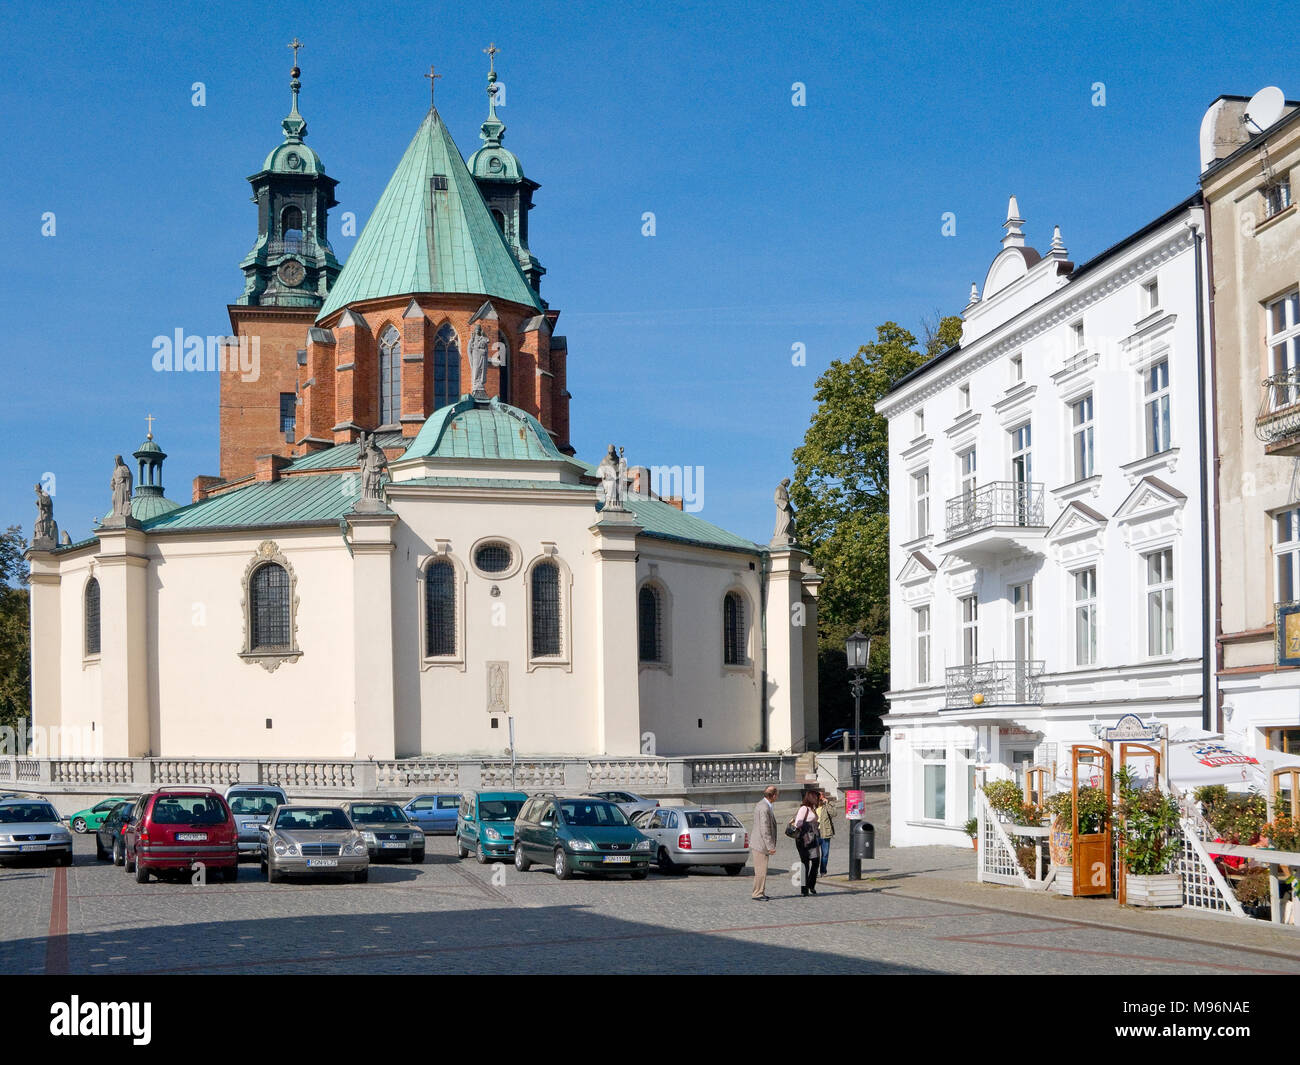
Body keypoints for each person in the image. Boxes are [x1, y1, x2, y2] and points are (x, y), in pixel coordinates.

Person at [751, 785, 778, 901]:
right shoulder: (764, 807)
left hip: (759, 843)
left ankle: (760, 891)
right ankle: (757, 893)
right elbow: (765, 829)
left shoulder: (764, 804)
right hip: (761, 844)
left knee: (761, 870)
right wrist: (770, 846)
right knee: (761, 871)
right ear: (774, 795)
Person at [793, 788, 821, 896]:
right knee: (805, 863)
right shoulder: (804, 808)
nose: (818, 799)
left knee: (815, 862)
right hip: (803, 839)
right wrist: (811, 825)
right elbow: (798, 823)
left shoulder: (812, 808)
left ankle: (811, 884)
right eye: (817, 797)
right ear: (812, 798)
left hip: (813, 838)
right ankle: (804, 889)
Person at [816, 791, 836, 876]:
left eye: (822, 798)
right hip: (815, 833)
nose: (820, 800)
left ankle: (823, 871)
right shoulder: (812, 806)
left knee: (825, 853)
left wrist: (827, 804)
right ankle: (815, 871)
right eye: (819, 798)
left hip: (826, 832)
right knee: (815, 854)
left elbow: (834, 814)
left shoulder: (828, 805)